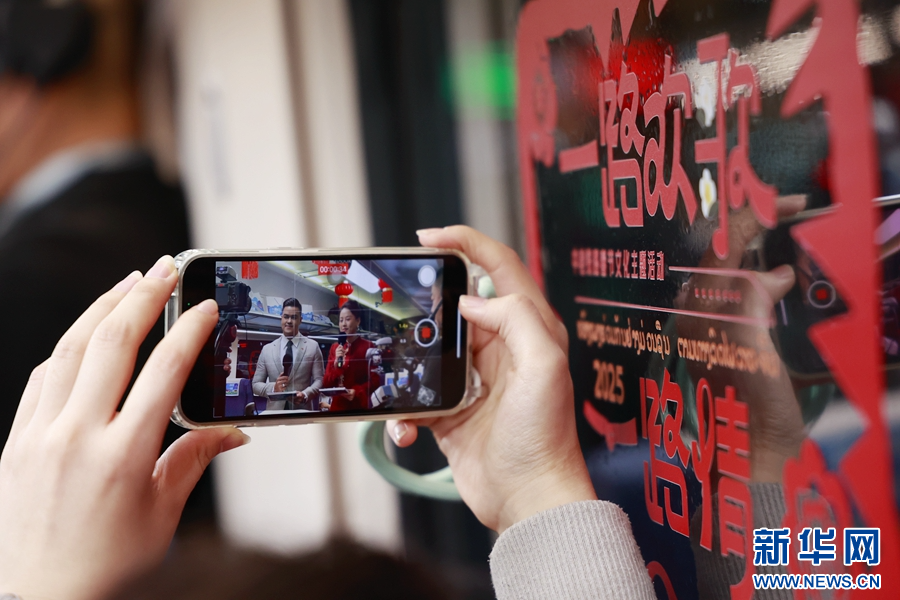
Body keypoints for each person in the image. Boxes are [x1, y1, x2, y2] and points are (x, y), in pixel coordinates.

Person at [0, 228, 657, 600]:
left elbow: (314, 383)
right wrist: (537, 490)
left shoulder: (328, 348)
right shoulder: (278, 352)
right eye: (290, 315)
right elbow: (273, 383)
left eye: (298, 315)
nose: (294, 321)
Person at [252, 297, 324, 411]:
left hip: (301, 411)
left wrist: (305, 394)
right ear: (281, 318)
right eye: (286, 316)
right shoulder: (267, 349)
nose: (289, 321)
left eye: (294, 317)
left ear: (300, 320)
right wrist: (273, 388)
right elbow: (256, 384)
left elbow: (320, 380)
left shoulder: (312, 347)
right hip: (275, 413)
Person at [322, 300, 375, 412]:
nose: (343, 324)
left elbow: (375, 381)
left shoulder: (368, 347)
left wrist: (357, 391)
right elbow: (326, 384)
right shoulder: (335, 348)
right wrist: (335, 365)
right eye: (341, 320)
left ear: (358, 321)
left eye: (347, 319)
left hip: (358, 407)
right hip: (337, 408)